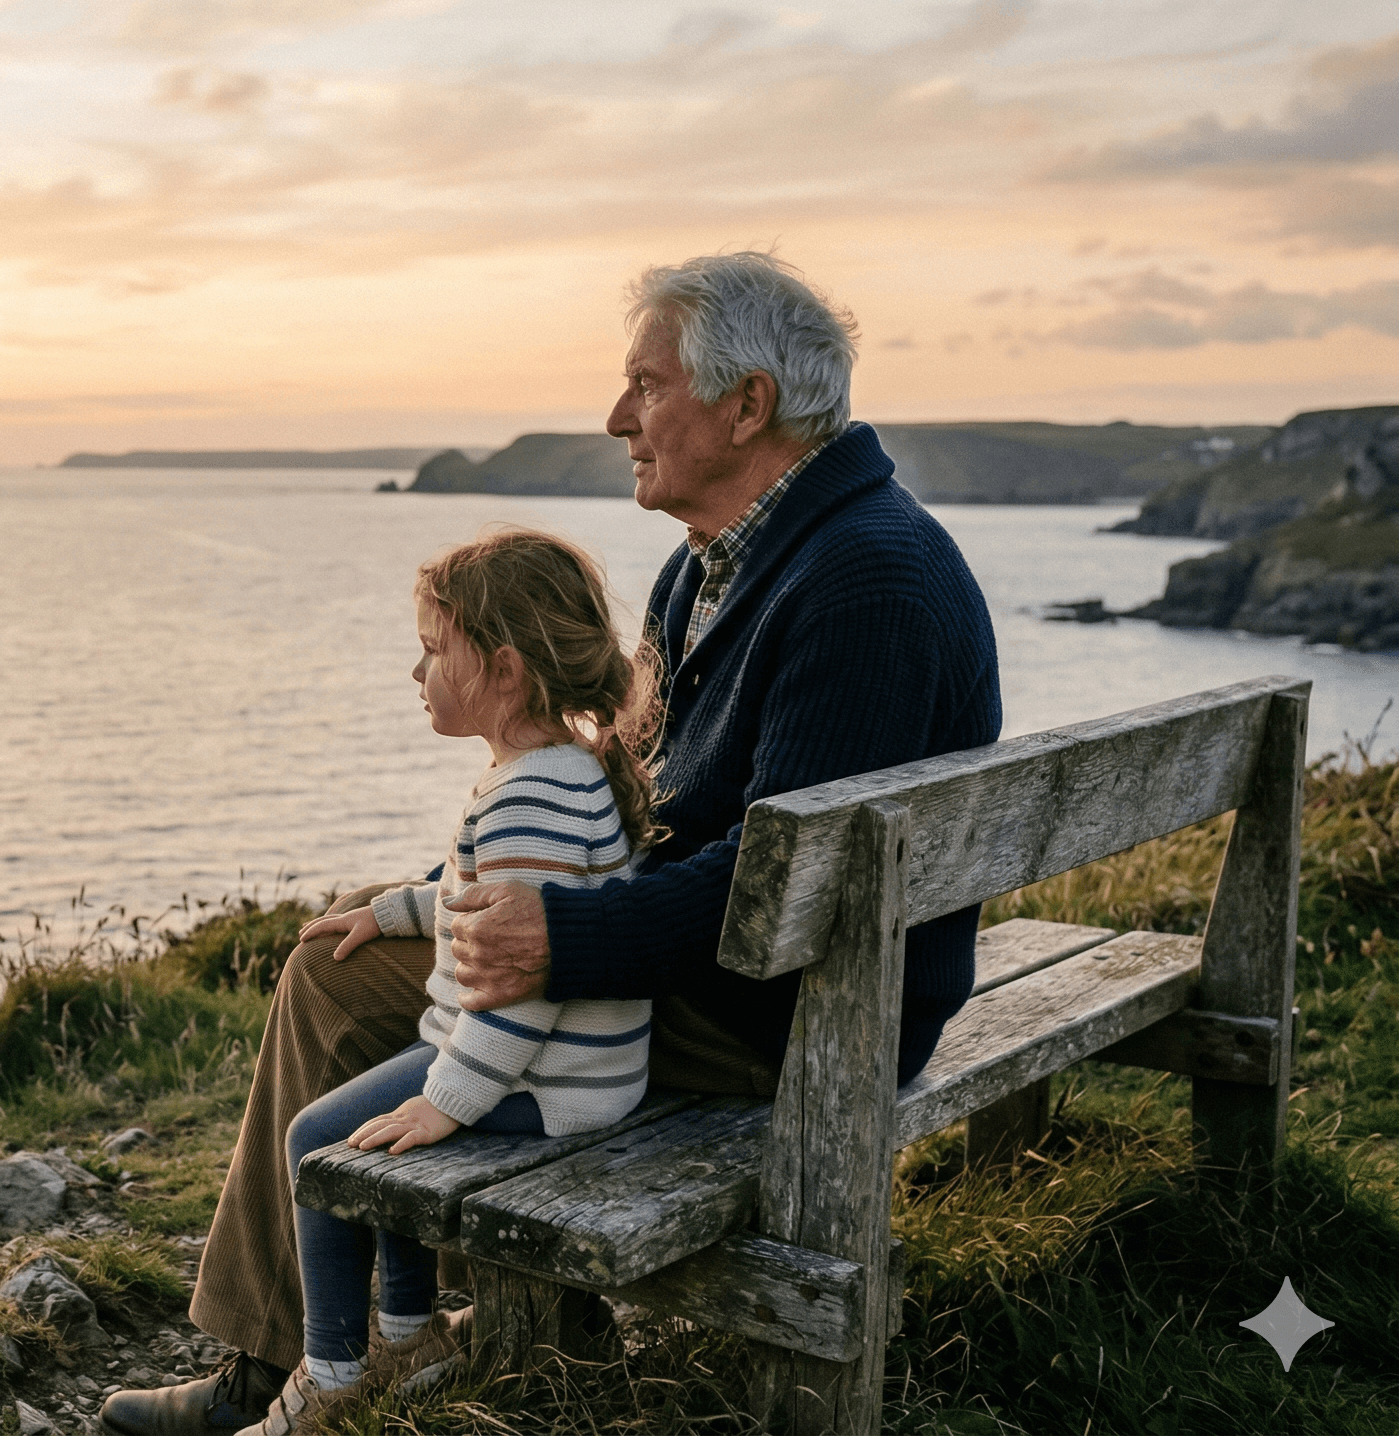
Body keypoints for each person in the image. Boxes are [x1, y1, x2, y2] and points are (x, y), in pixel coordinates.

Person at [101, 251, 999, 1436]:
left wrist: (557, 934)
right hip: (769, 972)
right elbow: (618, 789)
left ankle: (284, 1374)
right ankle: (370, 1343)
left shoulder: (857, 587)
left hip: (806, 1018)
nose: (617, 417)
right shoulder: (720, 561)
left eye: (647, 385)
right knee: (362, 939)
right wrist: (441, 889)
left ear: (746, 406)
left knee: (340, 988)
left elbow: (790, 891)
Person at [247, 529, 661, 1436]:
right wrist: (391, 912)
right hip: (563, 1070)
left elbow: (527, 982)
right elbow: (471, 891)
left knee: (322, 1138)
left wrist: (452, 1099)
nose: (416, 672)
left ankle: (333, 1378)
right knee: (384, 1116)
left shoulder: (531, 795)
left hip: (553, 1082)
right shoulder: (554, 770)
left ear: (505, 672)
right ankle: (408, 1335)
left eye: (435, 651)